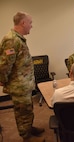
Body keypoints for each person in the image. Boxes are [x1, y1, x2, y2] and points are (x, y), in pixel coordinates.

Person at [0, 12, 45, 142]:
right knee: (22, 113)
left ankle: (29, 128)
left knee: (27, 109)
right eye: (30, 23)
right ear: (23, 23)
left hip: (24, 84)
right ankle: (26, 137)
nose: (31, 26)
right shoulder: (11, 40)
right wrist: (2, 79)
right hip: (18, 85)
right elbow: (5, 64)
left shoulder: (18, 39)